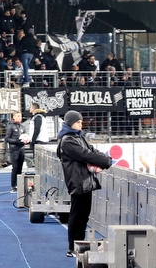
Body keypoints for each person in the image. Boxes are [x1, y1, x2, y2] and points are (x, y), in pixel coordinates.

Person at [58, 110, 112, 258]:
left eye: (82, 121)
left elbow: (92, 151)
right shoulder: (68, 140)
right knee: (76, 216)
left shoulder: (79, 137)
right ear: (70, 123)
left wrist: (104, 158)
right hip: (77, 182)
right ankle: (73, 247)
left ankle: (79, 245)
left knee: (83, 216)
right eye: (78, 122)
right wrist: (105, 161)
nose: (81, 124)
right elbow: (85, 155)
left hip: (85, 182)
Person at [5, 112, 29, 193]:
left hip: (21, 149)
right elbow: (7, 139)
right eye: (18, 116)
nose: (20, 117)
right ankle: (13, 186)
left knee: (20, 168)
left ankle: (19, 184)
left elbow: (25, 137)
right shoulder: (11, 127)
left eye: (21, 116)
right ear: (14, 117)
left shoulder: (22, 127)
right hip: (14, 149)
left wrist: (26, 141)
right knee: (15, 168)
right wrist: (16, 141)